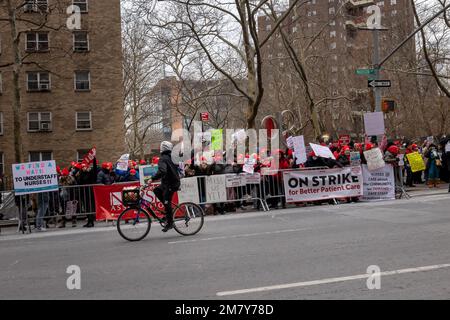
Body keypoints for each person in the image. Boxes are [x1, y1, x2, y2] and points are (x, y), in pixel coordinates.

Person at [151, 141, 181, 232]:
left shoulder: (163, 159)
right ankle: (169, 210)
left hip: (171, 184)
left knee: (167, 201)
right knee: (156, 190)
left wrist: (152, 179)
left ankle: (170, 223)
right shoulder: (172, 157)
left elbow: (162, 171)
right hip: (168, 183)